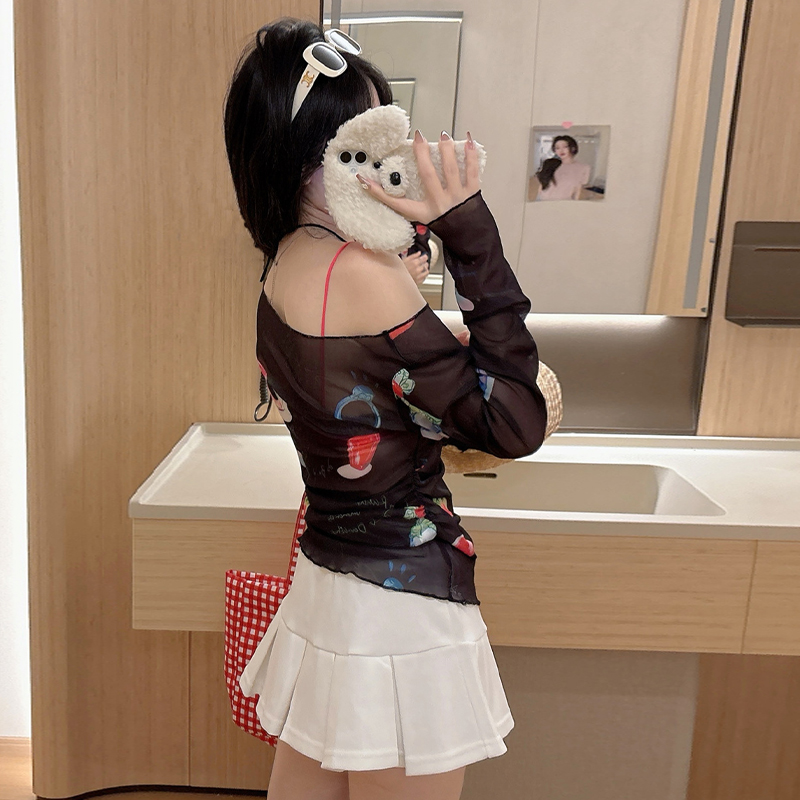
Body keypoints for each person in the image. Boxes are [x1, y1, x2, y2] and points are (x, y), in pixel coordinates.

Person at [223, 18, 548, 800]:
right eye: (365, 146)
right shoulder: (362, 275)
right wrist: (469, 230)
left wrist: (402, 267)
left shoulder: (286, 263)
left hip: (329, 585)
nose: (389, 164)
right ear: (311, 161)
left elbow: (366, 390)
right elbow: (514, 422)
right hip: (403, 605)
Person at [531, 134, 591, 201]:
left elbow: (578, 189)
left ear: (573, 147)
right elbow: (542, 186)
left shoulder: (584, 168)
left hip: (565, 203)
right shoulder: (550, 163)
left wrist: (575, 203)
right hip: (543, 200)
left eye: (565, 147)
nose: (561, 150)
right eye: (557, 148)